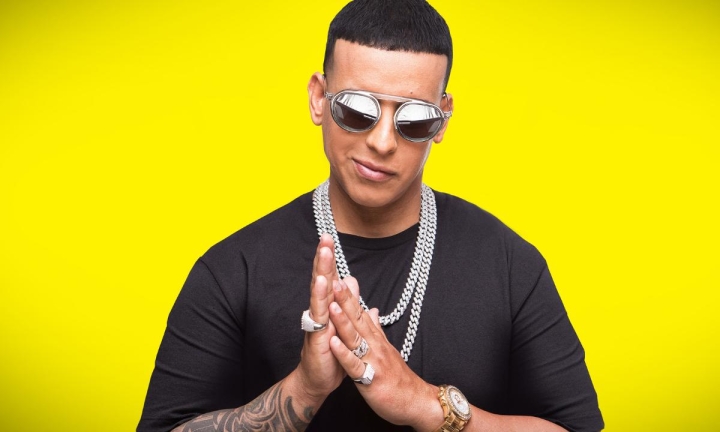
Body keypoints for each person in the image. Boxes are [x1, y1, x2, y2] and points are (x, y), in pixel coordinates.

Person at [138, 1, 604, 431]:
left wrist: (425, 404)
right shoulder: (232, 270)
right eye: (358, 110)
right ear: (319, 99)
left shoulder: (510, 265)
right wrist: (305, 388)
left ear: (443, 119)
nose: (382, 142)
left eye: (414, 119)